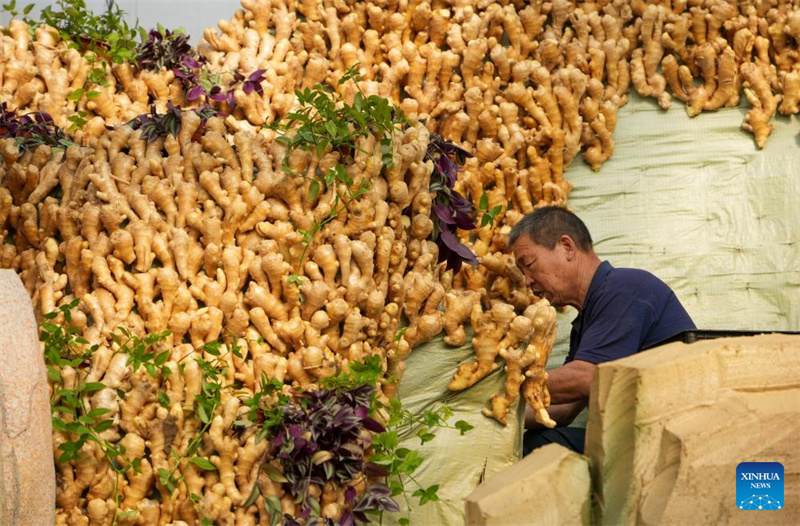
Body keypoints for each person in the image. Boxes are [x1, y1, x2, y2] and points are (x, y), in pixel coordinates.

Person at [508, 207, 696, 455]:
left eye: (529, 264)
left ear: (567, 247)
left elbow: (587, 377)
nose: (527, 280)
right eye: (522, 272)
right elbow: (563, 409)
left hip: (676, 435)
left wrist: (507, 385)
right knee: (540, 438)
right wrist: (503, 415)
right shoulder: (584, 323)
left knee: (540, 447)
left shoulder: (624, 287)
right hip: (639, 436)